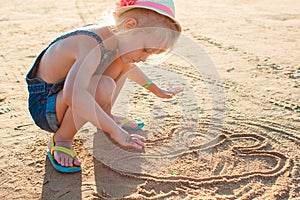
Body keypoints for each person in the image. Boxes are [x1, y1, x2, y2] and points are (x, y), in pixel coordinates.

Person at [26, 0, 182, 173]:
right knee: (102, 86)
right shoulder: (90, 42)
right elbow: (72, 93)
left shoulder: (117, 37)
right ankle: (62, 138)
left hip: (64, 99)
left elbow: (130, 69)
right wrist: (116, 131)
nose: (145, 58)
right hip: (46, 107)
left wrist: (156, 89)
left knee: (125, 61)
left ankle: (106, 117)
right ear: (130, 25)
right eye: (145, 49)